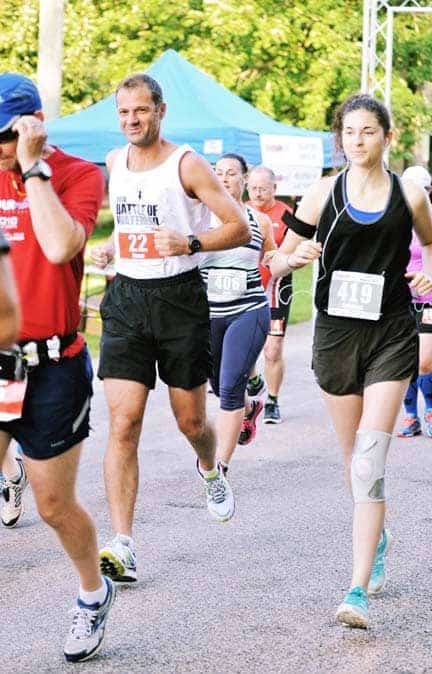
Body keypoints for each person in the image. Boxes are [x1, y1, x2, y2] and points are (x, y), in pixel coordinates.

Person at [267, 93, 432, 629]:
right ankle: (378, 536)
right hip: (336, 337)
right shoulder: (322, 193)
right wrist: (294, 257)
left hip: (390, 334)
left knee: (368, 463)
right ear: (339, 139)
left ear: (386, 135)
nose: (357, 141)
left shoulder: (409, 193)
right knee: (352, 462)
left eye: (368, 131)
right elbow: (275, 259)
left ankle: (356, 589)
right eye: (349, 132)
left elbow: (431, 245)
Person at [91, 73, 251, 583]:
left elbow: (239, 226)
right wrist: (112, 248)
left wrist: (191, 243)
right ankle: (123, 542)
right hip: (126, 300)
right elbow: (127, 225)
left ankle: (210, 467)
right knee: (124, 422)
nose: (131, 120)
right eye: (123, 113)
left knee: (189, 422)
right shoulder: (115, 163)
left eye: (140, 110)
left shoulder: (187, 164)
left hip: (180, 300)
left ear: (160, 110)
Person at [0, 72, 116, 663]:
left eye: (3, 135)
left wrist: (30, 167)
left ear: (32, 125)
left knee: (52, 507)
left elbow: (57, 246)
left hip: (53, 366)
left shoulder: (77, 174)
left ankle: (93, 595)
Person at [199, 154, 273, 474]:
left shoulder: (259, 221)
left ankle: (220, 469)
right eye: (218, 173)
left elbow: (271, 255)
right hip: (209, 315)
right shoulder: (199, 219)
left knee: (229, 389)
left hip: (248, 309)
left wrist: (284, 258)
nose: (224, 178)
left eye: (231, 173)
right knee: (220, 385)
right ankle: (250, 408)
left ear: (244, 178)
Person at [246, 166, 293, 424]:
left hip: (276, 288)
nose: (258, 193)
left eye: (263, 188)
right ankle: (253, 382)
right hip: (247, 287)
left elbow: (292, 251)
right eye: (253, 188)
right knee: (246, 343)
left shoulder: (286, 214)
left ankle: (273, 400)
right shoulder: (241, 211)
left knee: (272, 350)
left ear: (274, 188)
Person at [397, 165, 432, 437]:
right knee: (405, 359)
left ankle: (430, 408)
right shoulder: (394, 220)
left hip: (429, 299)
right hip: (400, 298)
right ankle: (410, 415)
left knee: (425, 361)